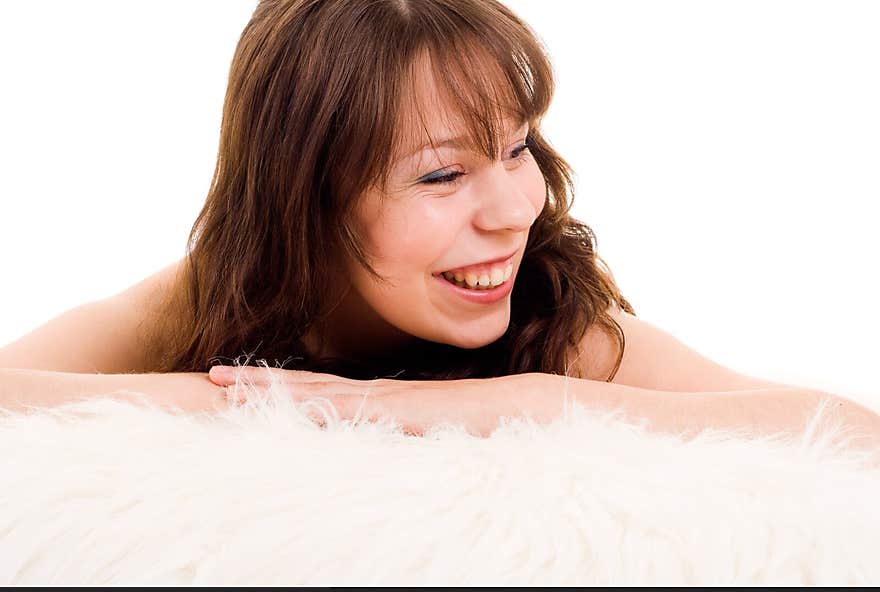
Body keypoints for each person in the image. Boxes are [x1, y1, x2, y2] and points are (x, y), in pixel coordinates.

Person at [6, 0, 876, 444]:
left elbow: (846, 431)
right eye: (442, 173)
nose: (511, 211)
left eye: (515, 147)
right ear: (303, 199)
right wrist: (265, 407)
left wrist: (508, 402)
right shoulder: (202, 299)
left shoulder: (549, 321)